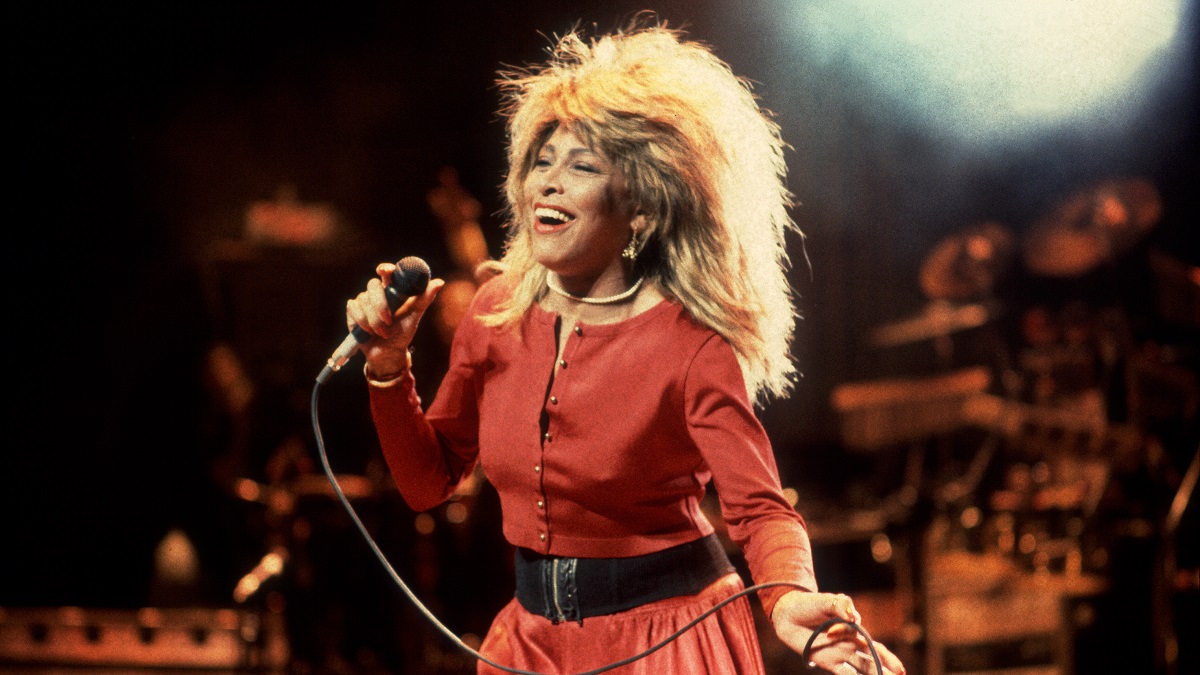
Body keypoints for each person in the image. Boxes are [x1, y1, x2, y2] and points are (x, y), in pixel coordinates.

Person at [346, 21, 905, 675]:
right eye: (541, 161)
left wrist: (789, 600)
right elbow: (426, 481)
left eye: (580, 166)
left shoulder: (691, 343)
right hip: (529, 645)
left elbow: (758, 506)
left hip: (666, 642)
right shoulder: (494, 313)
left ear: (641, 205)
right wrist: (387, 366)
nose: (546, 185)